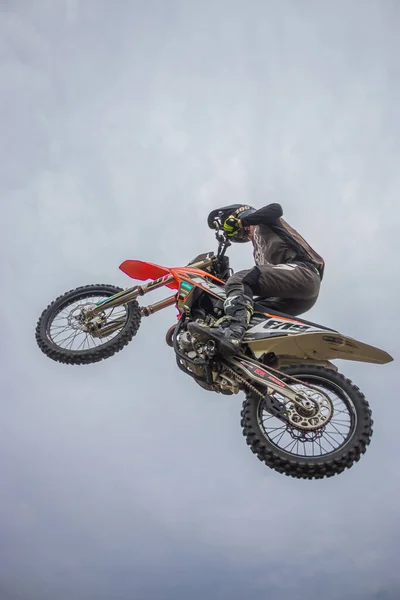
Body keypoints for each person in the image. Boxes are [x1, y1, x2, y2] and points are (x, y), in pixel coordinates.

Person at [188, 203, 325, 356]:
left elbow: (276, 208)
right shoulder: (257, 252)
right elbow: (244, 292)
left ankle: (233, 335)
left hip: (304, 272)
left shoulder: (264, 221)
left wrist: (242, 221)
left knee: (239, 279)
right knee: (252, 313)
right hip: (293, 297)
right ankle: (256, 360)